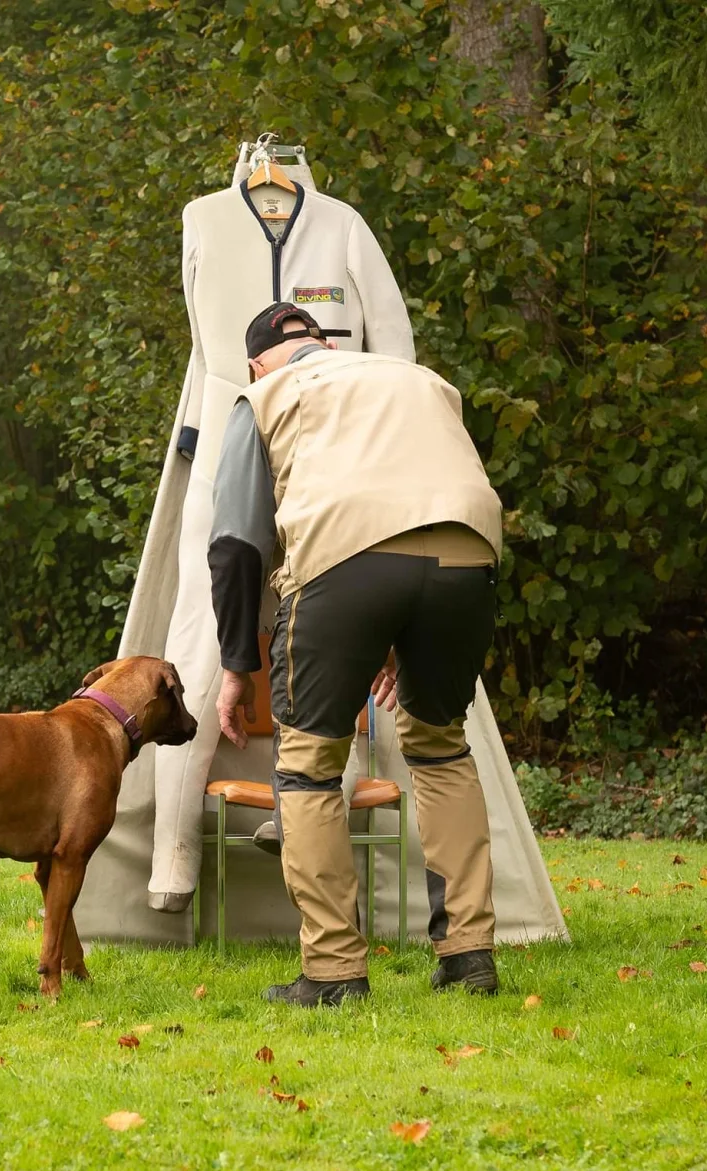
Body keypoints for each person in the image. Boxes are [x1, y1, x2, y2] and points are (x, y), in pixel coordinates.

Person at [207, 302, 505, 1007]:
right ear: (326, 345)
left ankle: (334, 971)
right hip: (469, 554)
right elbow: (423, 503)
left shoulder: (265, 394)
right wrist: (402, 618)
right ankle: (469, 956)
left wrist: (235, 665)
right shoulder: (416, 379)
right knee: (440, 747)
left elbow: (237, 544)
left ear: (255, 364)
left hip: (343, 561)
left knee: (309, 765)